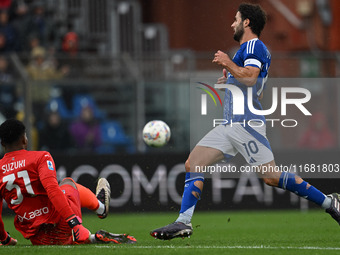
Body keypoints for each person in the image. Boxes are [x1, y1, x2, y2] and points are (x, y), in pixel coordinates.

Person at [150, 3, 340, 240]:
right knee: (194, 163)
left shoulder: (253, 45)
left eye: (236, 19)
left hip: (246, 125)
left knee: (271, 177)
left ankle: (329, 202)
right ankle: (183, 222)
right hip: (230, 125)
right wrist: (230, 80)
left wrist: (228, 63)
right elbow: (254, 86)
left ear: (247, 22)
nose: (232, 23)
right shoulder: (249, 50)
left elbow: (250, 78)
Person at [0, 119, 136, 245]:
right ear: (24, 139)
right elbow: (52, 190)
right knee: (68, 184)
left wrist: (5, 239)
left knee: (58, 233)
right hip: (61, 224)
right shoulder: (40, 157)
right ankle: (100, 208)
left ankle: (93, 237)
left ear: (2, 144)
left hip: (39, 238)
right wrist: (75, 224)